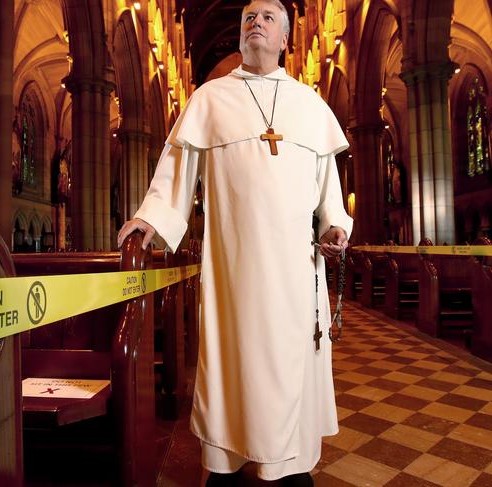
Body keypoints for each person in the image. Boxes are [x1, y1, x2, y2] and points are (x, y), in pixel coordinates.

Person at [117, 1, 352, 485]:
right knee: (232, 365)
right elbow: (177, 174)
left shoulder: (309, 105)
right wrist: (149, 218)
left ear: (286, 38)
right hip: (234, 273)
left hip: (295, 275)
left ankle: (288, 467)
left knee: (290, 370)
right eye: (249, 17)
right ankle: (227, 462)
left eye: (267, 16)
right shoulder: (209, 99)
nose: (255, 23)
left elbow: (329, 193)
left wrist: (334, 228)